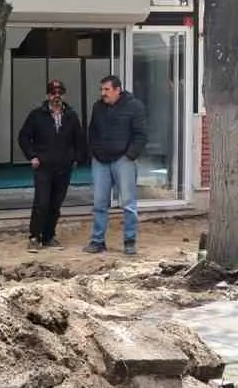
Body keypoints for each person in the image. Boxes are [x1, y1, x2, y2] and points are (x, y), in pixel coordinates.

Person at [17, 79, 86, 250]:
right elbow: (24, 137)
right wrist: (32, 156)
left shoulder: (71, 116)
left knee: (56, 203)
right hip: (43, 166)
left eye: (60, 93)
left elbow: (80, 139)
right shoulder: (36, 115)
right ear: (47, 95)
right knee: (42, 202)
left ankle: (49, 236)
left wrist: (76, 158)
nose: (57, 96)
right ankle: (34, 237)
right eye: (53, 93)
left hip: (64, 167)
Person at [86, 74, 148, 255]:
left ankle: (129, 241)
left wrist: (130, 155)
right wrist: (94, 152)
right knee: (99, 203)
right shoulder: (98, 107)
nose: (103, 93)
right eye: (102, 89)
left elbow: (141, 135)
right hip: (100, 160)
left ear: (117, 90)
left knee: (128, 203)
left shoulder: (134, 106)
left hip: (123, 160)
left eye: (106, 89)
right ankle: (97, 241)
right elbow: (92, 131)